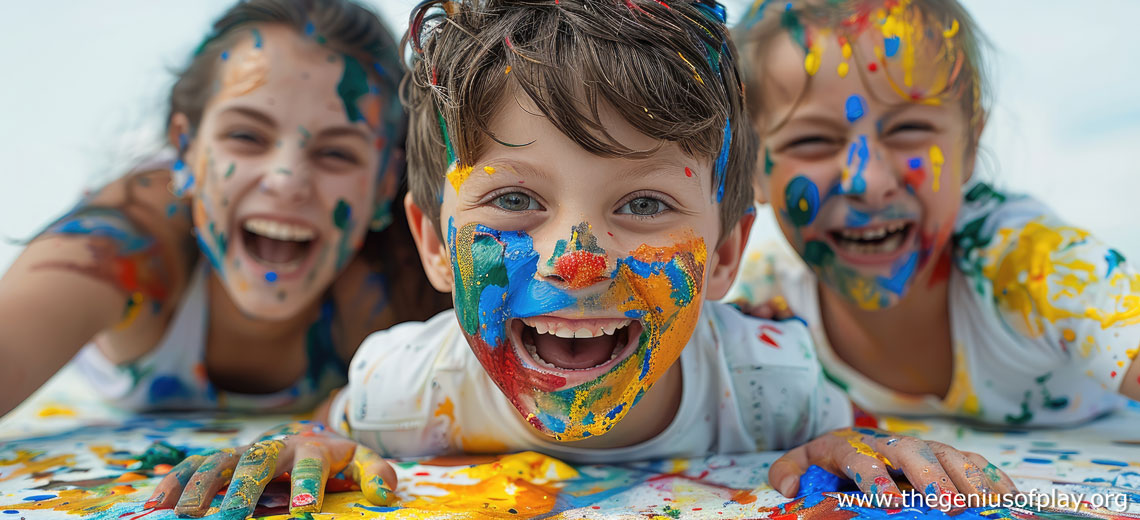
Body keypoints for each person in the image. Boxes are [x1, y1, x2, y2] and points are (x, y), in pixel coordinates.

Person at [147, 1, 1017, 517]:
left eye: (642, 204)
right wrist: (314, 442)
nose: (574, 263)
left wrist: (855, 451)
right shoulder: (408, 386)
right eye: (516, 201)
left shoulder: (773, 385)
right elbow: (333, 425)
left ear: (724, 257)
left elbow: (854, 445)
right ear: (430, 244)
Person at [0, 0, 449, 416]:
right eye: (246, 137)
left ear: (386, 180)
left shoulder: (400, 280)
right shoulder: (122, 250)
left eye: (337, 154)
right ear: (185, 146)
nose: (286, 181)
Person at [728, 0, 1140, 431]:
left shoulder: (1039, 269)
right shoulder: (772, 298)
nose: (866, 181)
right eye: (811, 140)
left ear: (970, 145)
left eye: (909, 130)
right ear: (750, 163)